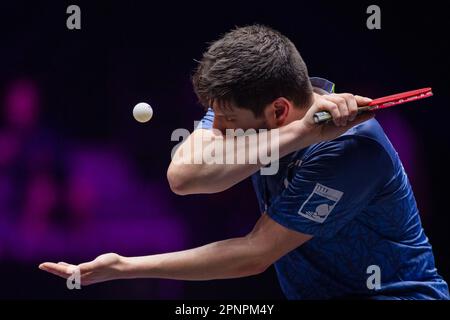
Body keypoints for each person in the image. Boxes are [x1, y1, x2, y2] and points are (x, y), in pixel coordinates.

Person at [39, 25, 449, 300]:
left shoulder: (350, 148)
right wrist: (302, 132)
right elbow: (183, 178)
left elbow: (254, 254)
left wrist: (124, 267)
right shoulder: (243, 107)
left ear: (278, 110)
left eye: (227, 123)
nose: (217, 130)